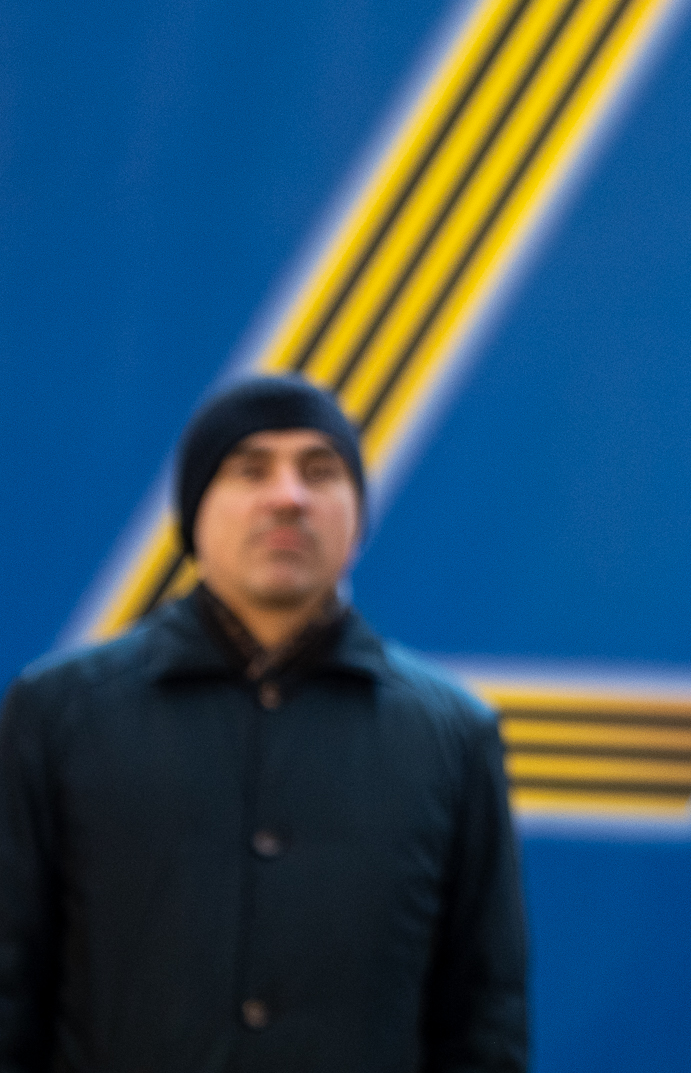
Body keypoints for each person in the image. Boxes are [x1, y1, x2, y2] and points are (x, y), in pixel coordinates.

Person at [0, 374, 529, 1073]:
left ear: (357, 515)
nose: (288, 496)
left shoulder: (452, 736)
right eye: (250, 469)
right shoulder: (59, 714)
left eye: (320, 470)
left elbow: (485, 1021)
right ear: (194, 512)